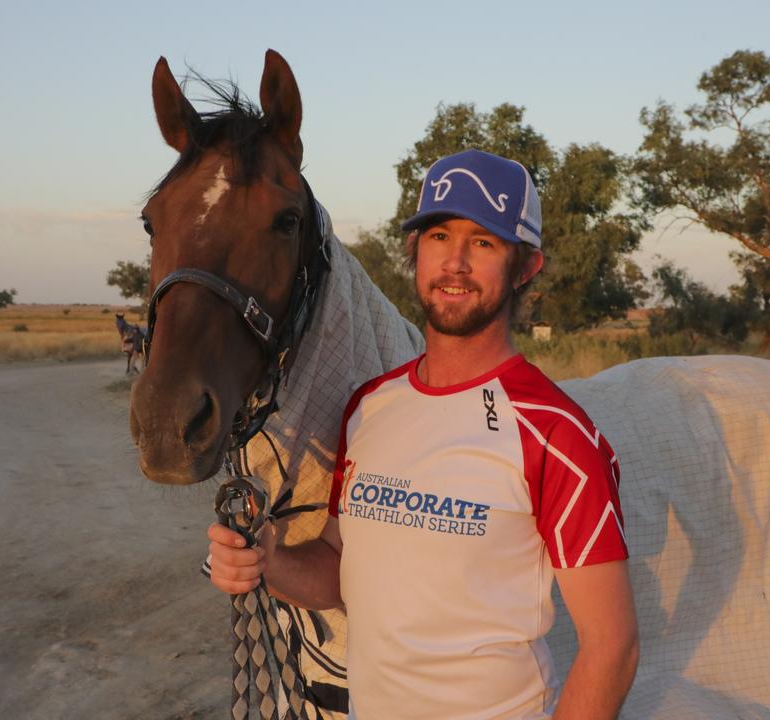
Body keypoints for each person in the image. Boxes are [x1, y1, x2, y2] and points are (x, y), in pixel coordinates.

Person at [207, 149, 639, 719]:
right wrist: (264, 560)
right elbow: (338, 568)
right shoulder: (369, 407)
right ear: (415, 250)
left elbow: (614, 646)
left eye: (483, 242)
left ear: (525, 267)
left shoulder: (556, 433)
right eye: (438, 237)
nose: (455, 263)